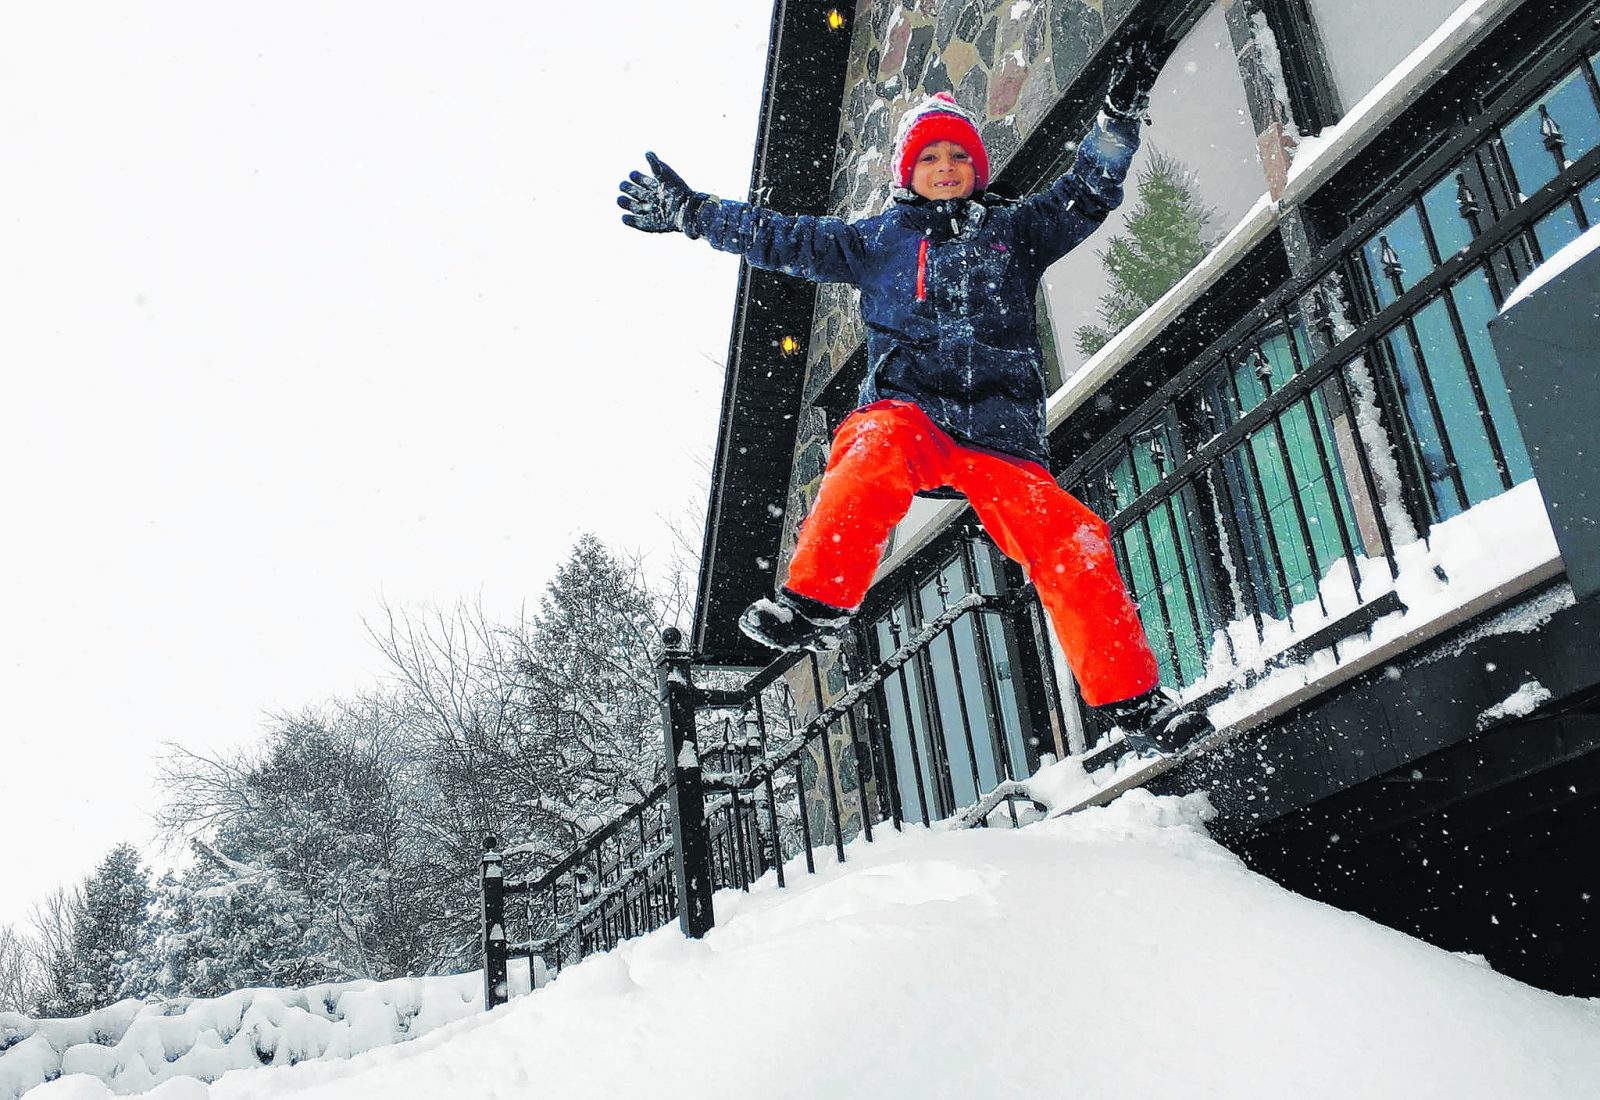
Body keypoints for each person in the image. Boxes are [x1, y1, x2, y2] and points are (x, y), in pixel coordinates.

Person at [617, 32, 1208, 754]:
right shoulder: (879, 241)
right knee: (868, 445)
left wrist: (1118, 119)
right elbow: (782, 237)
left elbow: (1088, 191)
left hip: (1000, 438)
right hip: (914, 415)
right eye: (930, 157)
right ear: (907, 171)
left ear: (977, 167)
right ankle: (821, 599)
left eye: (959, 155)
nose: (947, 167)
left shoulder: (1014, 231)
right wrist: (694, 213)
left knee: (1075, 538)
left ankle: (1134, 701)